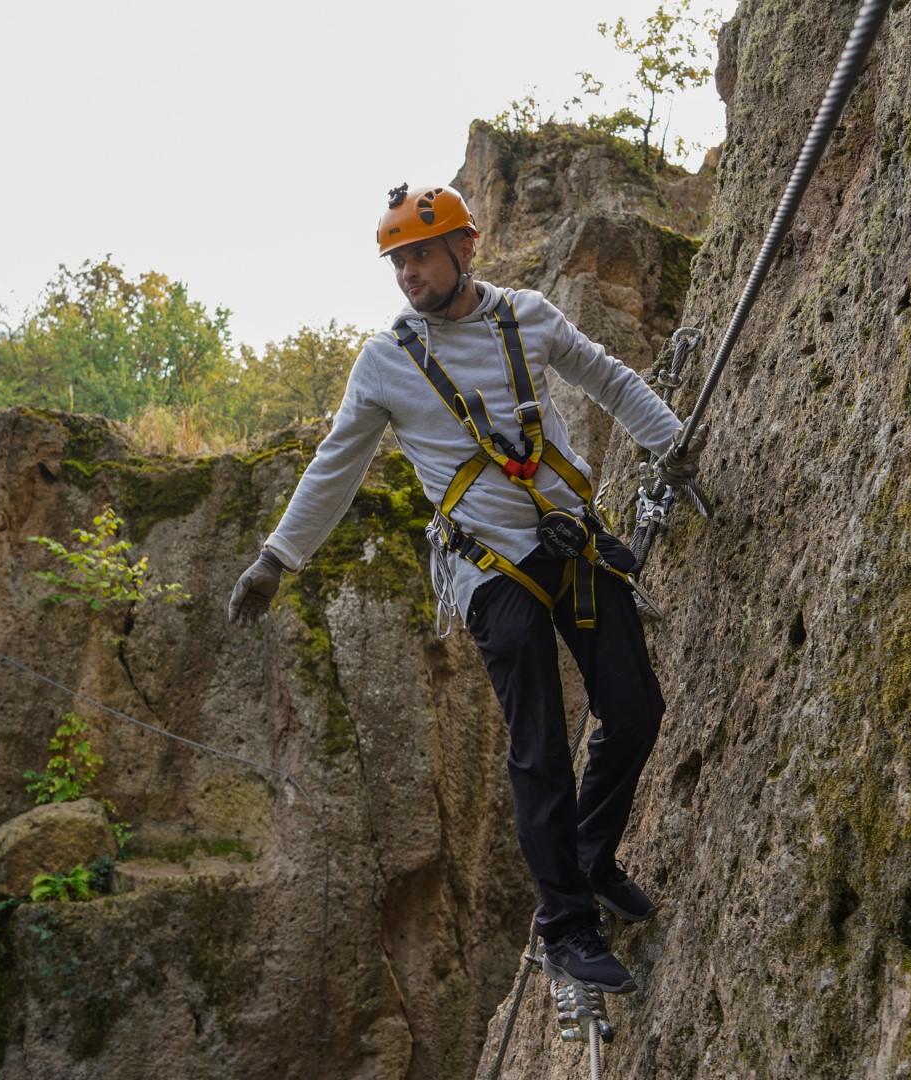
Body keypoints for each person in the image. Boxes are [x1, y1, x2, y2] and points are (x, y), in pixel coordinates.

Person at [227, 182, 706, 993]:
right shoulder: (387, 362)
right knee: (540, 747)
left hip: (570, 539)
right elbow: (335, 464)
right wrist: (277, 558)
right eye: (397, 262)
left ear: (465, 247)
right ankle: (567, 927)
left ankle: (591, 860)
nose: (407, 274)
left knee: (635, 711)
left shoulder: (529, 316)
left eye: (419, 255)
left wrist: (672, 444)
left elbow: (611, 380)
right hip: (488, 568)